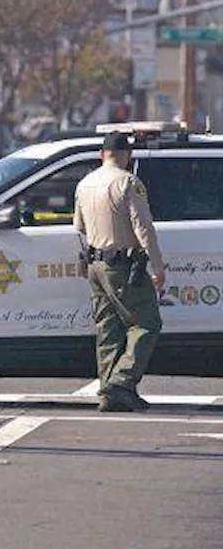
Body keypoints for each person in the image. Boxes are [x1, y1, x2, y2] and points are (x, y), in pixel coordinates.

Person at [73, 131, 166, 412]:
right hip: (122, 265)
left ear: (103, 155)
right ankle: (121, 382)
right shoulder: (128, 182)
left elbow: (79, 227)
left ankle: (111, 392)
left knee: (108, 330)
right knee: (147, 323)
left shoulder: (85, 183)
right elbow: (143, 228)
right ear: (127, 157)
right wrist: (158, 266)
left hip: (95, 264)